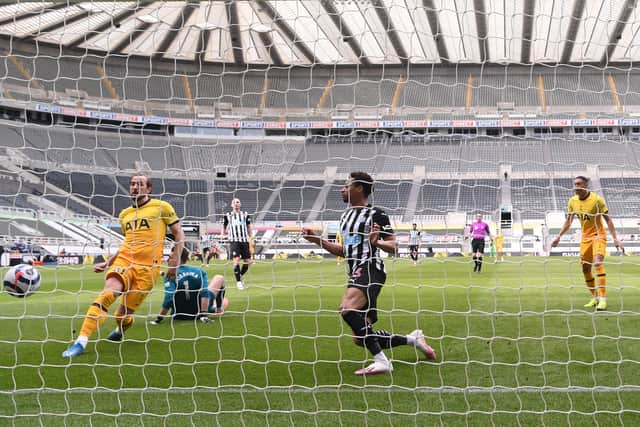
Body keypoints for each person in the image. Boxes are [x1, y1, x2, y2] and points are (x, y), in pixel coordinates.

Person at [303, 171, 436, 376]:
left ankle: (382, 361)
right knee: (361, 337)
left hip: (370, 268)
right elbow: (344, 250)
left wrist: (377, 242)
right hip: (355, 272)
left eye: (346, 185)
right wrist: (317, 240)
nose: (342, 188)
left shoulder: (377, 214)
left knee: (346, 308)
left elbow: (393, 246)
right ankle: (413, 339)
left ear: (359, 188)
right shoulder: (345, 217)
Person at [63, 172, 184, 357]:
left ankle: (120, 330)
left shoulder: (162, 207)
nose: (135, 187)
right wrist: (108, 262)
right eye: (133, 184)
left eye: (140, 184)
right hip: (125, 261)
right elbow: (127, 243)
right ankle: (81, 341)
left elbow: (179, 234)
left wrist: (175, 260)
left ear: (149, 189)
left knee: (121, 315)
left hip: (148, 270)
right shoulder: (124, 215)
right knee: (107, 295)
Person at [551, 176, 623, 311]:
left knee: (598, 262)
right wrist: (558, 236)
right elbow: (569, 221)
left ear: (586, 186)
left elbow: (608, 220)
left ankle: (602, 300)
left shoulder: (597, 200)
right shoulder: (572, 201)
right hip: (585, 238)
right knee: (585, 269)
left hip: (598, 235)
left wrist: (615, 238)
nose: (576, 186)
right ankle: (594, 297)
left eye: (579, 184)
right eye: (574, 184)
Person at [150, 246, 226, 324]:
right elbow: (204, 293)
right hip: (199, 312)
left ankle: (214, 309)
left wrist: (159, 319)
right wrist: (204, 315)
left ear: (176, 259)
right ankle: (218, 309)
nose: (167, 260)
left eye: (170, 257)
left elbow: (169, 298)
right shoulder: (199, 271)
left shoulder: (170, 274)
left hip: (179, 315)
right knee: (219, 278)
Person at [223, 198, 252, 290]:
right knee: (236, 260)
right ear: (231, 205)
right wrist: (223, 234)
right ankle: (239, 282)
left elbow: (248, 226)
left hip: (244, 240)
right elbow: (224, 226)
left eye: (238, 202)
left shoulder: (245, 215)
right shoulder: (228, 215)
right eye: (234, 202)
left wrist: (250, 237)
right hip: (234, 240)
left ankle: (240, 275)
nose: (236, 204)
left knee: (248, 261)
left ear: (240, 204)